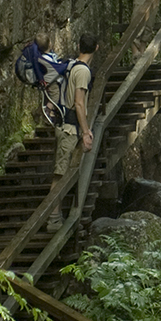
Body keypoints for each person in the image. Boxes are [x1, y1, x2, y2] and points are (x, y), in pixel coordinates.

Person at [46, 35, 95, 229]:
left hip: (65, 125)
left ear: (78, 46)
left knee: (66, 171)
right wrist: (85, 132)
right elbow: (79, 102)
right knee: (60, 174)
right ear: (97, 48)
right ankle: (53, 218)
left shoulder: (69, 65)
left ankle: (61, 216)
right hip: (70, 128)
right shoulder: (82, 71)